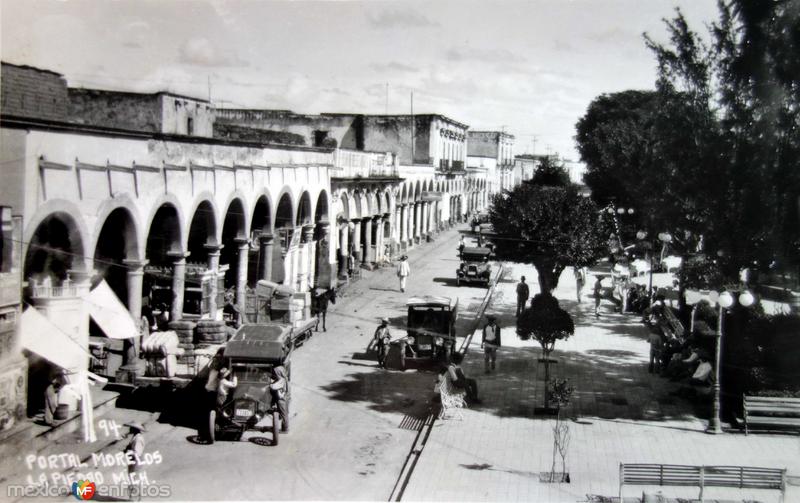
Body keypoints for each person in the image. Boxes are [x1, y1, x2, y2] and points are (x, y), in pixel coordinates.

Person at [123, 422, 146, 500]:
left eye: (131, 428)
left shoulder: (138, 439)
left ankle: (135, 498)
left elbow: (137, 452)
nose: (129, 429)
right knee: (132, 477)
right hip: (133, 460)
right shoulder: (135, 437)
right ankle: (134, 497)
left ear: (135, 429)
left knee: (134, 478)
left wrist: (128, 451)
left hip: (136, 460)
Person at [269, 365, 289, 433]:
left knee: (283, 414)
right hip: (283, 398)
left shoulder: (281, 380)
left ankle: (285, 429)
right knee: (284, 413)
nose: (274, 374)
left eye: (276, 373)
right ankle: (284, 428)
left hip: (281, 399)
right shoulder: (283, 378)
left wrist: (270, 384)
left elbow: (274, 387)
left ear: (279, 373)